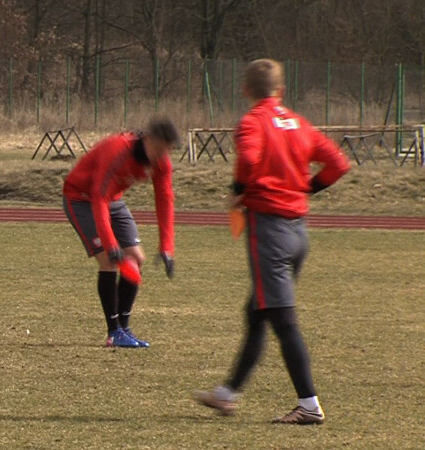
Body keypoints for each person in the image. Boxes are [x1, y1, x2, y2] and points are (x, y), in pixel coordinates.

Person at [194, 58, 350, 425]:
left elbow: (248, 160)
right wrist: (306, 188)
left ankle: (309, 405)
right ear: (281, 91)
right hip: (298, 231)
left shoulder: (252, 122)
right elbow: (338, 164)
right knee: (257, 312)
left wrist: (237, 191)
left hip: (270, 230)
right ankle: (228, 393)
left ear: (246, 90)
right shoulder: (297, 122)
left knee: (282, 320)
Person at [62, 116, 179, 348]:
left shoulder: (161, 162)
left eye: (167, 150)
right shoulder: (117, 150)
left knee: (136, 259)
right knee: (108, 260)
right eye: (160, 147)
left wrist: (167, 248)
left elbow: (165, 199)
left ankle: (124, 329)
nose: (162, 154)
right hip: (81, 198)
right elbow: (98, 196)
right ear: (149, 139)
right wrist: (111, 244)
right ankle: (113, 332)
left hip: (113, 200)